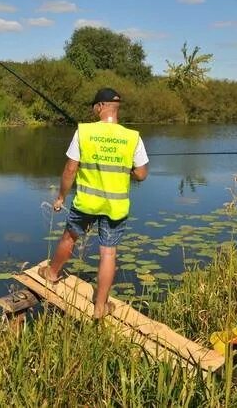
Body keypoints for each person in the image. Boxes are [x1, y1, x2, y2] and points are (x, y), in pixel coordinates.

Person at [39, 87, 149, 319]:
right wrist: (126, 169)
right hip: (115, 207)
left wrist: (61, 197)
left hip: (86, 203)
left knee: (70, 236)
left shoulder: (84, 132)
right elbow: (141, 174)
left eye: (93, 106)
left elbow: (70, 169)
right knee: (108, 253)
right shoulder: (132, 137)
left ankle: (52, 273)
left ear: (100, 106)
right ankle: (100, 307)